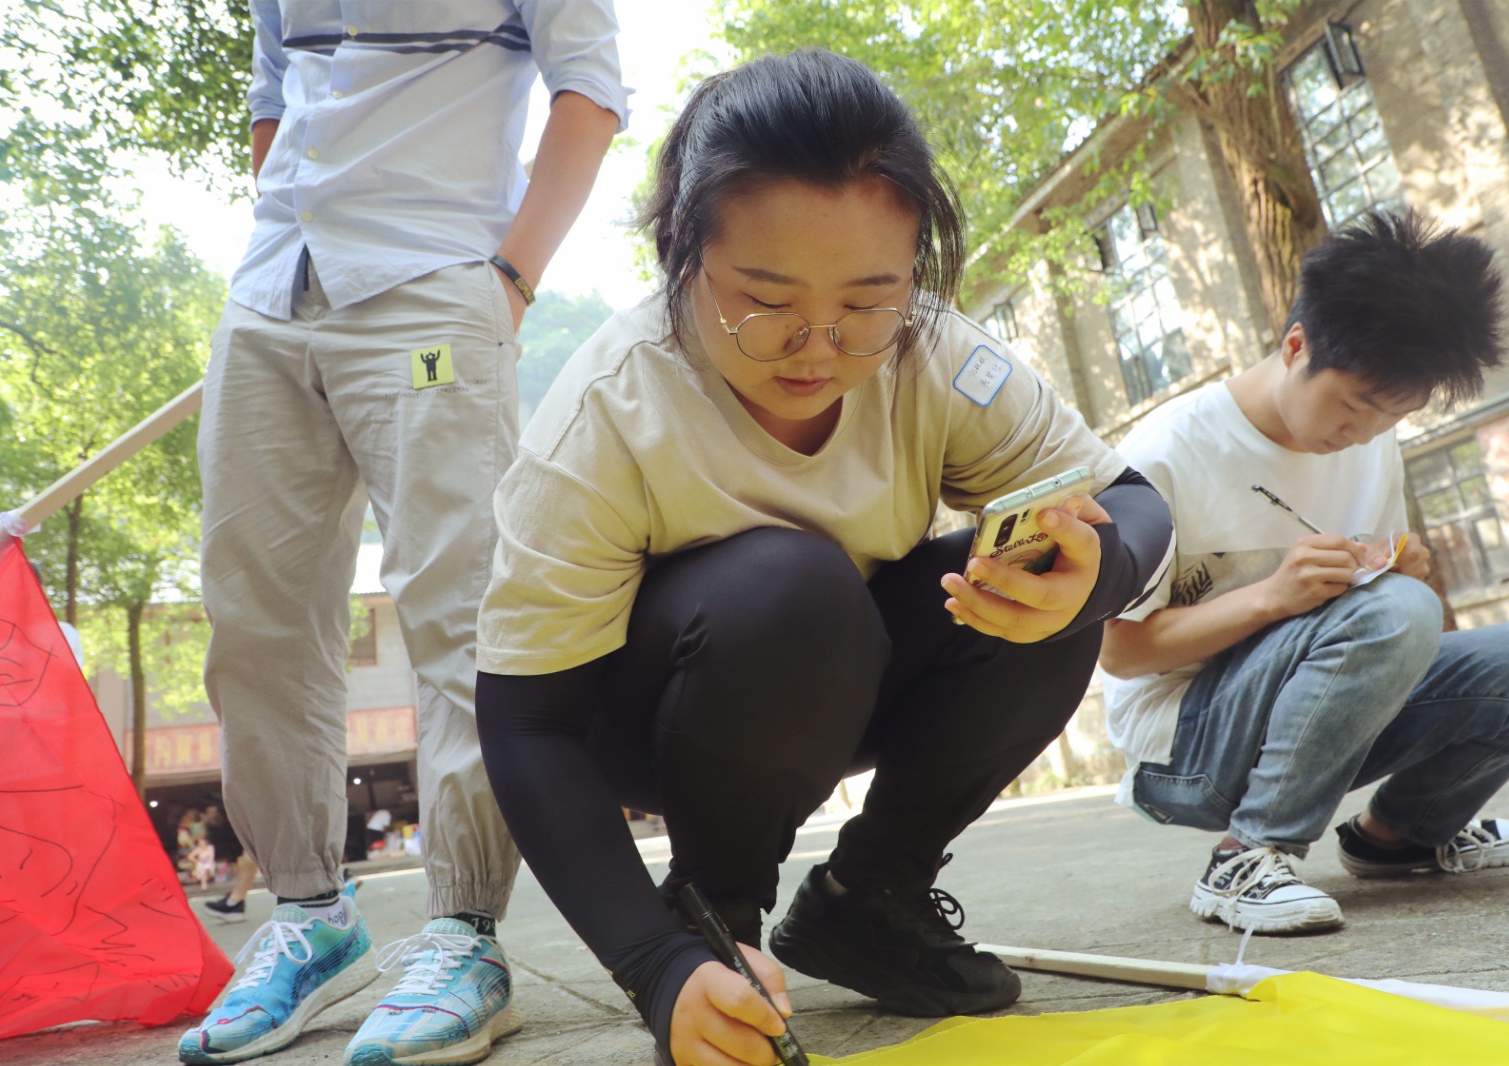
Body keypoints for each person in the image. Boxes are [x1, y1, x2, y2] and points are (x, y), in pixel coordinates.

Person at [473, 50, 1173, 1066]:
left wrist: (1093, 576)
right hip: (649, 716)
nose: (817, 346)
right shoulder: (606, 414)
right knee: (792, 586)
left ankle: (870, 897)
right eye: (764, 299)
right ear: (683, 253)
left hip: (843, 677)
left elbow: (1132, 502)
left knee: (1041, 571)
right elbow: (525, 724)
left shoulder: (935, 354)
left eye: (866, 302)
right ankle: (712, 917)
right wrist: (654, 964)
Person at [182, 3, 629, 1064]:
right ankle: (309, 915)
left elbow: (590, 88)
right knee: (252, 617)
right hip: (273, 290)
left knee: (457, 604)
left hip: (432, 280)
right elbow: (274, 94)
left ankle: (464, 933)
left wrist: (508, 278)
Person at [1099, 210, 1509, 936]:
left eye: (1393, 416)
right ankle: (1246, 855)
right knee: (1395, 611)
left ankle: (1399, 837)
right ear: (1296, 345)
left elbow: (1376, 620)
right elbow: (1119, 652)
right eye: (1356, 404)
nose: (1362, 433)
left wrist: (1403, 576)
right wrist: (1274, 596)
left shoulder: (1369, 442)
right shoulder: (1164, 454)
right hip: (1186, 749)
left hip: (1314, 713)